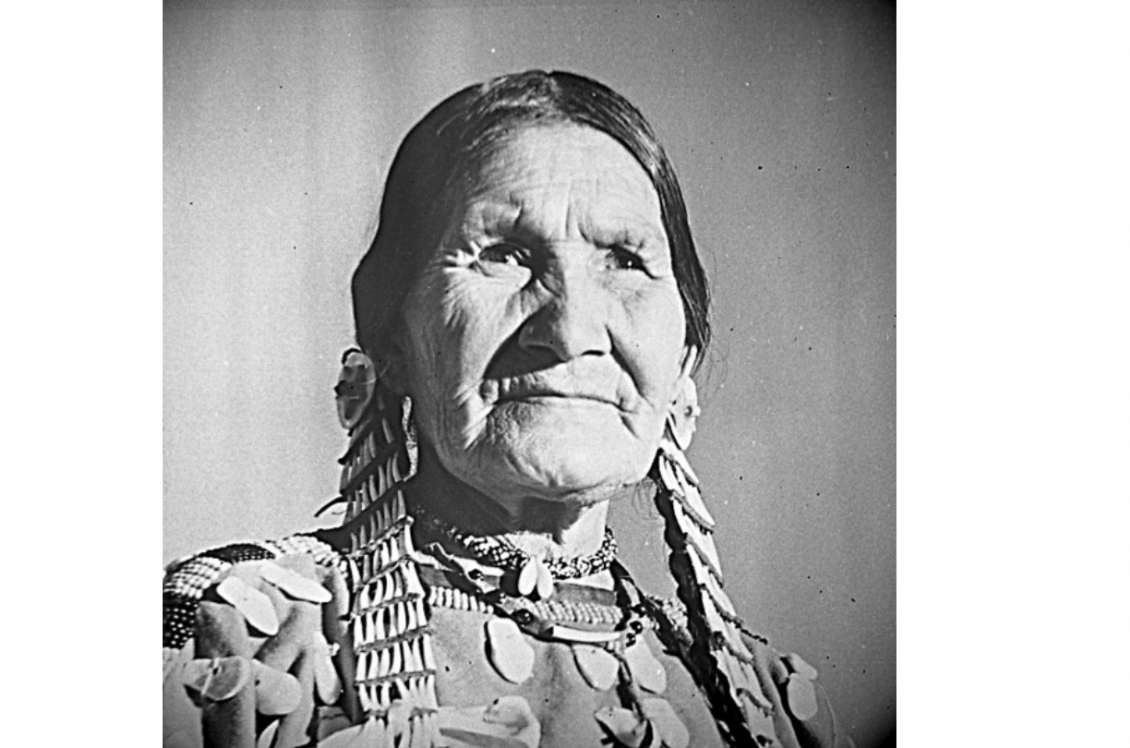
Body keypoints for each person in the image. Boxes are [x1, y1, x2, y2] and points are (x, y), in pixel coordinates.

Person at [163, 70, 851, 748]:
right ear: (393, 340)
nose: (571, 330)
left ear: (681, 364)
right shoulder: (235, 648)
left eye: (624, 260)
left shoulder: (771, 712)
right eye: (505, 255)